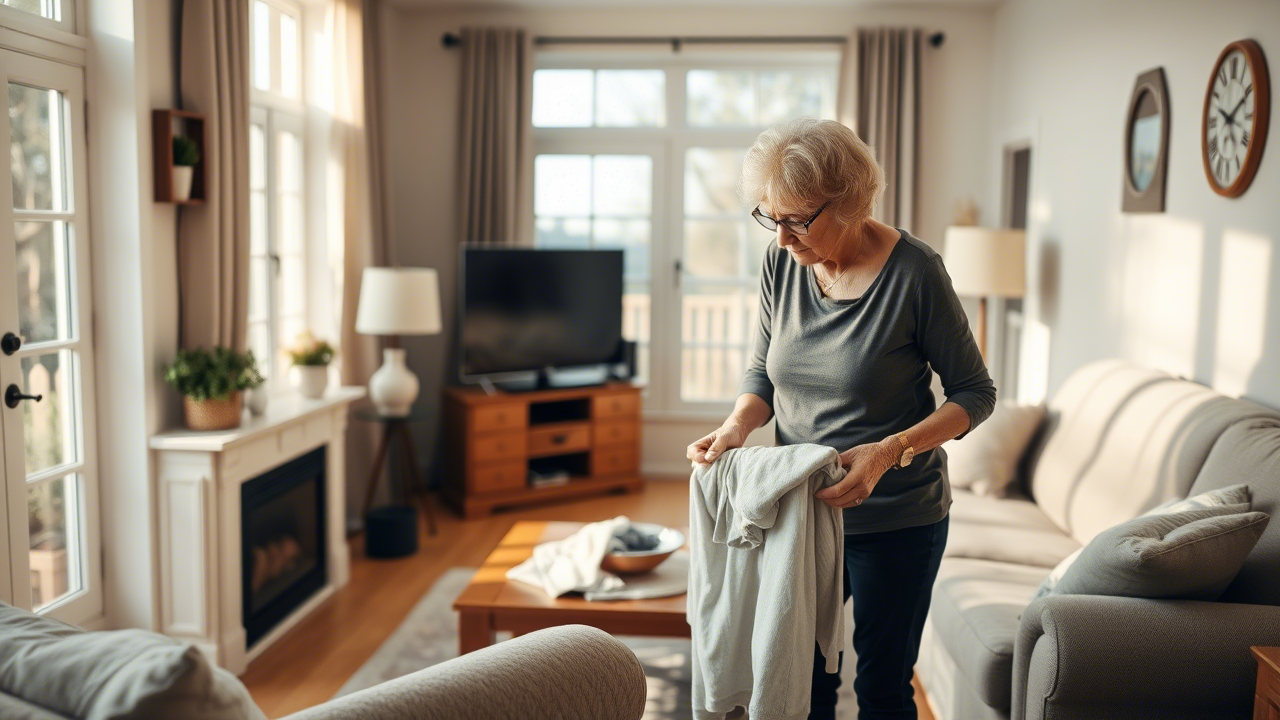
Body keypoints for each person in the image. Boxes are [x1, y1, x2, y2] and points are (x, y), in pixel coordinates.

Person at [686, 117, 996, 720]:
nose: (781, 238)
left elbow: (973, 393)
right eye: (769, 217)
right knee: (800, 679)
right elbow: (762, 373)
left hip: (897, 515)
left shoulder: (916, 274)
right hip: (801, 512)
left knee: (881, 688)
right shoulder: (783, 265)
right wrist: (735, 427)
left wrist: (889, 451)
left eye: (798, 219)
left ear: (851, 201)